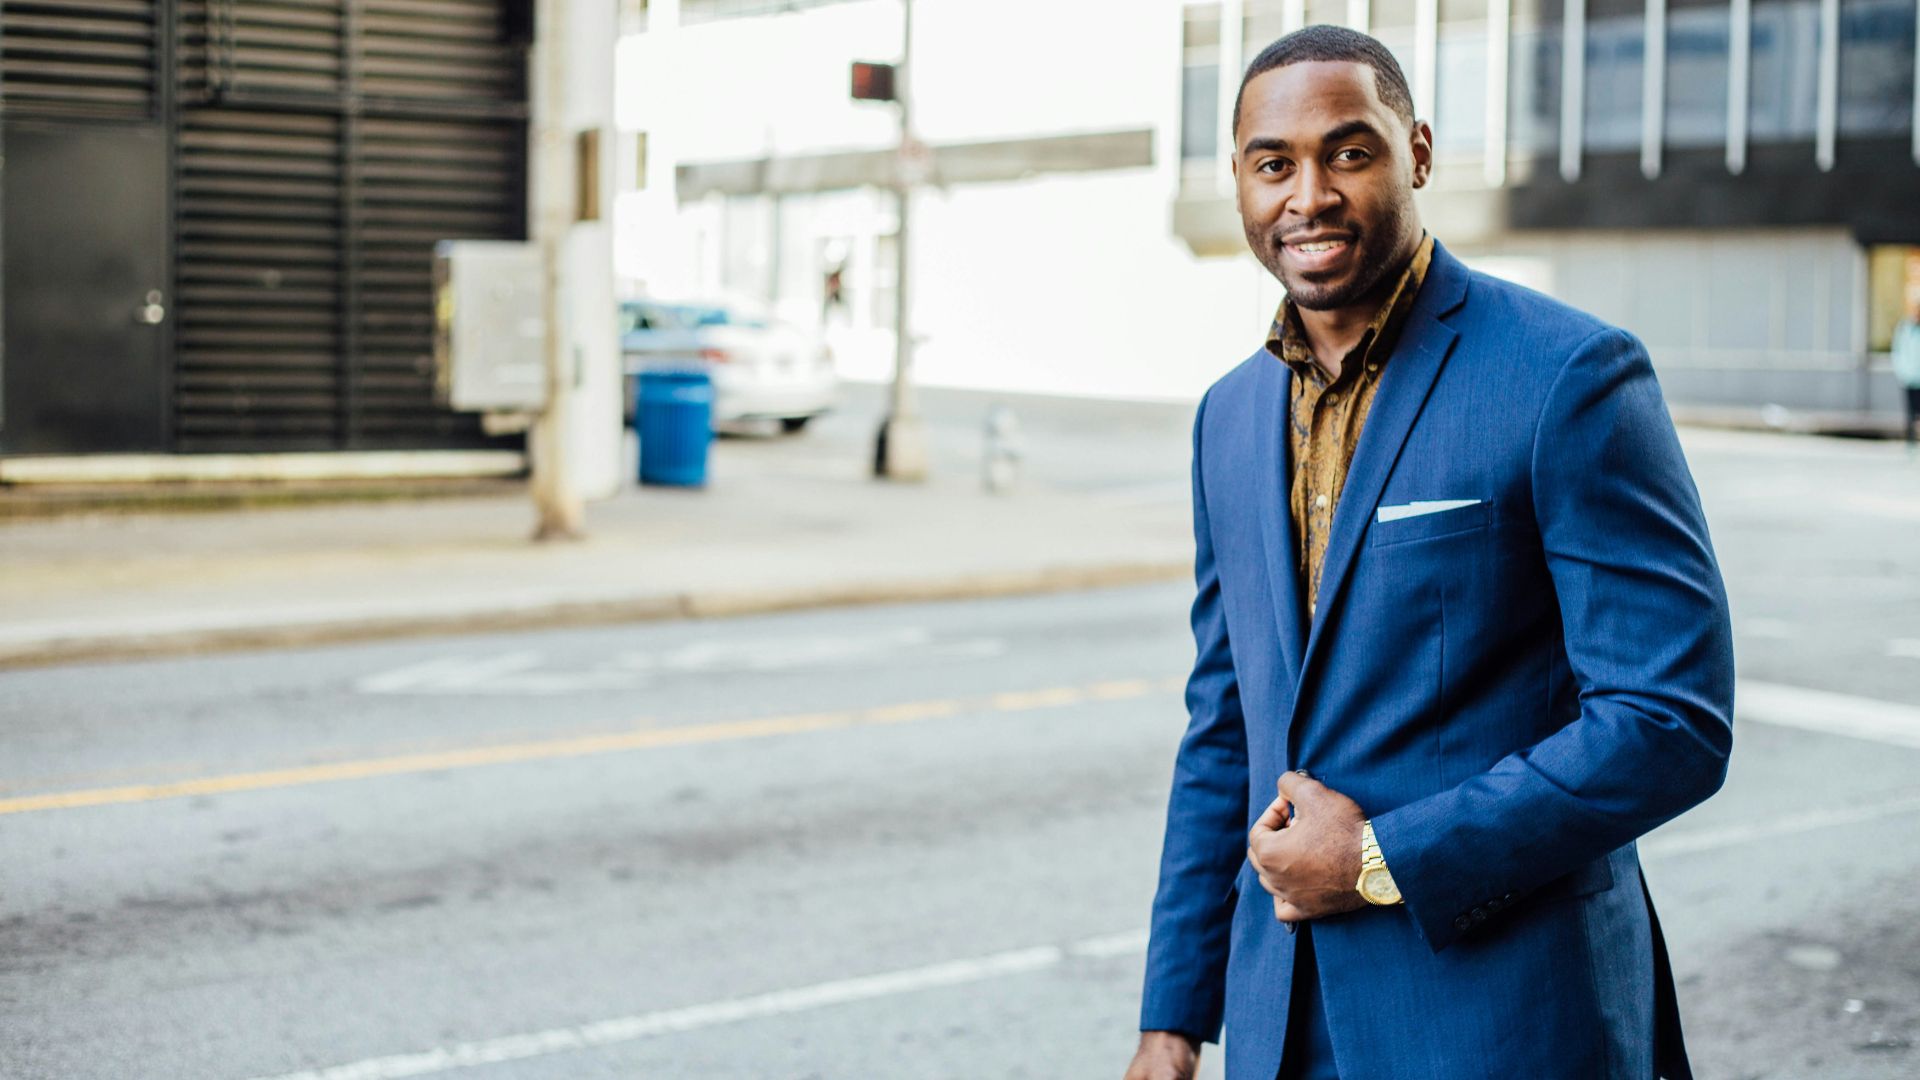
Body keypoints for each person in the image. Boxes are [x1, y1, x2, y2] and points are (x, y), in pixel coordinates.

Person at [1123, 26, 1734, 1080]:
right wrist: (1173, 1020)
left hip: (1506, 1021)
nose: (1307, 193)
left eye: (1348, 152)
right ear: (1237, 181)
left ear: (1417, 153)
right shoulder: (1227, 417)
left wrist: (1376, 861)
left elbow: (1669, 721)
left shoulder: (1567, 375)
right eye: (1274, 163)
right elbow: (1226, 730)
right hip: (1280, 1029)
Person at [1893, 297, 1920, 451]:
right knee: (1910, 412)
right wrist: (1902, 371)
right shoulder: (1905, 328)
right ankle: (1910, 441)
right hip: (1909, 376)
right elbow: (1898, 351)